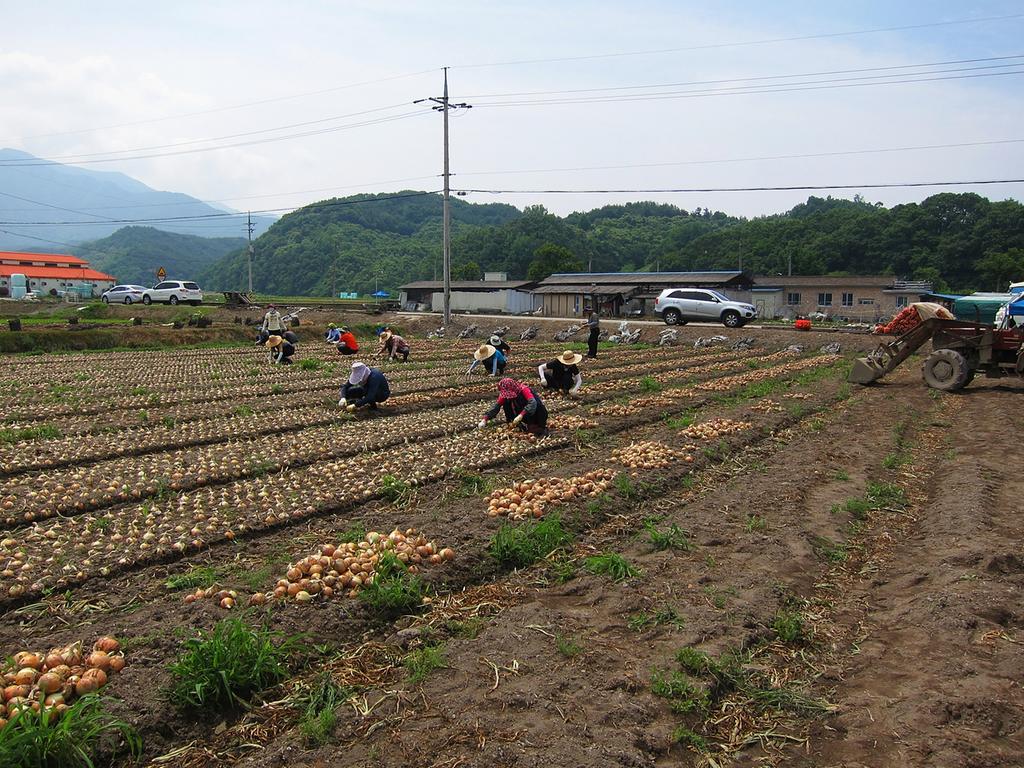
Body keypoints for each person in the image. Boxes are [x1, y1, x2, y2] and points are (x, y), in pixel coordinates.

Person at [478, 377, 549, 436]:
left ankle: (541, 427)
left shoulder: (524, 389)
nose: (508, 396)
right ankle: (513, 423)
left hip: (536, 413)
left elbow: (532, 403)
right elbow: (496, 407)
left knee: (539, 407)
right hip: (522, 415)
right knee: (506, 402)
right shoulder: (504, 394)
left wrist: (521, 415)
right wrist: (484, 419)